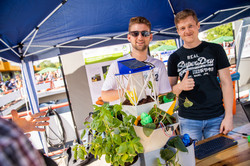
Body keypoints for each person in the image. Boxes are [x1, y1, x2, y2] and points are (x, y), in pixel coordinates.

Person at [167, 9, 233, 141]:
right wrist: (181, 86)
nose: (187, 31)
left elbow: (226, 83)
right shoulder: (174, 58)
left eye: (190, 26)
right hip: (188, 119)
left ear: (198, 25)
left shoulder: (215, 49)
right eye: (182, 28)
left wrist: (229, 116)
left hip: (216, 117)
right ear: (178, 31)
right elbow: (169, 93)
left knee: (218, 156)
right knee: (193, 159)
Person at [101, 16, 171, 102]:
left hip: (153, 114)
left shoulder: (158, 65)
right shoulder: (118, 64)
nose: (140, 37)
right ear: (129, 37)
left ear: (150, 37)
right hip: (128, 114)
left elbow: (165, 94)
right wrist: (127, 90)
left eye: (144, 33)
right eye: (135, 34)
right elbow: (105, 96)